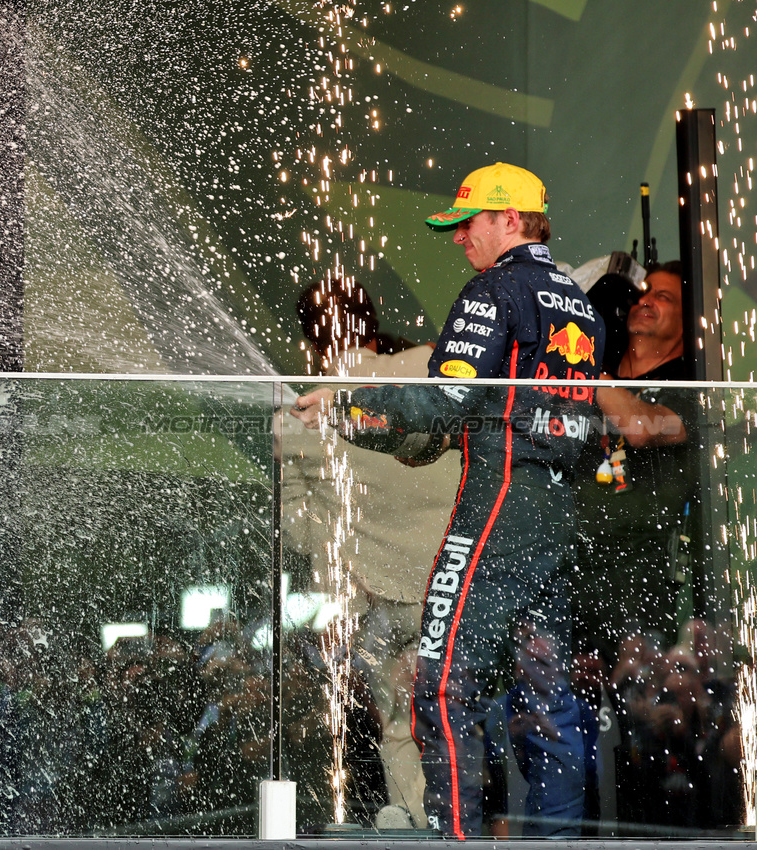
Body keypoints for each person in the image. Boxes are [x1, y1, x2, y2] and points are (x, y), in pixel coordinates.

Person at [290, 162, 605, 837]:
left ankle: (452, 838)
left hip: (496, 503)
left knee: (438, 682)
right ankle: (557, 842)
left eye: (469, 223)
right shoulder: (579, 306)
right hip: (554, 510)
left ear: (510, 220)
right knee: (549, 695)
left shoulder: (494, 289)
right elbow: (519, 413)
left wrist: (346, 407)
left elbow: (445, 399)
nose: (460, 238)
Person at [280, 279, 458, 827]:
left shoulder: (298, 417)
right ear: (373, 327)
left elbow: (297, 529)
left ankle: (418, 823)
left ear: (312, 345)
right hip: (451, 581)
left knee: (399, 723)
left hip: (370, 599)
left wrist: (349, 549)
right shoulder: (431, 368)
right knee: (460, 714)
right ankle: (465, 824)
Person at [572, 262, 697, 662]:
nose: (645, 302)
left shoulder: (694, 385)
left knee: (636, 695)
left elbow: (641, 427)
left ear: (688, 321)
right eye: (644, 294)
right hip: (568, 569)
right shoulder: (599, 372)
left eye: (663, 297)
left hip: (639, 586)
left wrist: (584, 371)